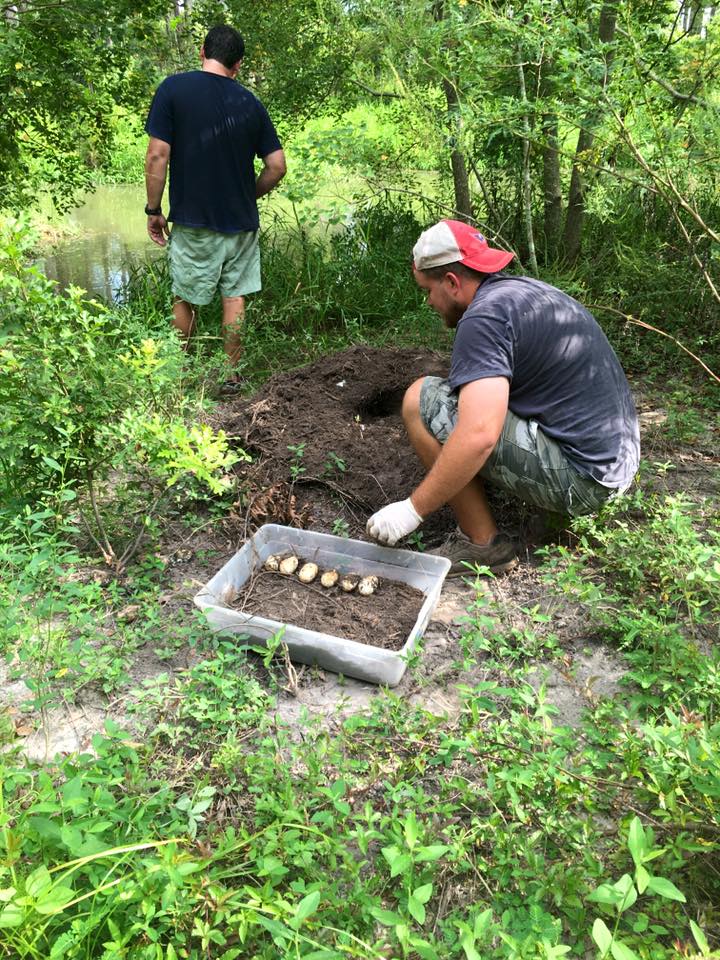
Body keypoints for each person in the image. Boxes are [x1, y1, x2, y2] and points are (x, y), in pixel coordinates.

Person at [366, 219, 640, 576]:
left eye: (427, 290)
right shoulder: (524, 293)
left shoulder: (484, 318)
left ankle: (483, 545)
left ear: (451, 282)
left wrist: (412, 510)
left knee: (421, 399)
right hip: (617, 464)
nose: (429, 302)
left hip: (586, 480)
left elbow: (479, 434)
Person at [144, 24, 286, 386]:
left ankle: (182, 376)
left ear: (202, 52)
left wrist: (153, 210)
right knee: (233, 296)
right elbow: (277, 166)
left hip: (193, 219)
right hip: (240, 222)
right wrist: (247, 194)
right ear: (237, 65)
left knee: (185, 297)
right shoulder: (249, 103)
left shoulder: (174, 89)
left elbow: (158, 156)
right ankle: (231, 377)